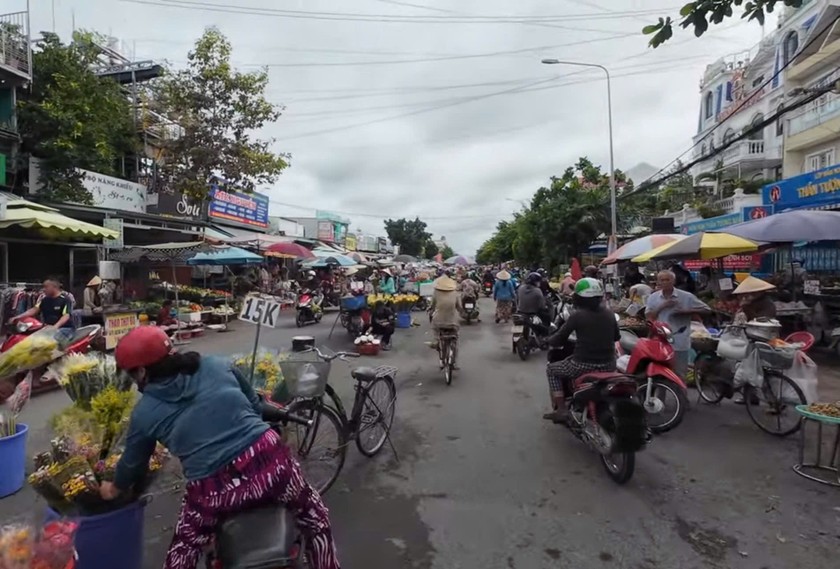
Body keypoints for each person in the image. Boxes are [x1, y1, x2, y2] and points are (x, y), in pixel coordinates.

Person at [102, 327, 340, 569]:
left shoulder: (144, 413)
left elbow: (132, 465)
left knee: (183, 551)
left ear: (142, 371)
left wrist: (112, 488)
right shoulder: (216, 365)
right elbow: (255, 407)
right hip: (273, 468)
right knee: (316, 519)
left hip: (213, 492)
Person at [544, 278, 620, 423]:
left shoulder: (577, 315)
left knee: (552, 370)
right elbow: (616, 336)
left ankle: (561, 410)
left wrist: (548, 340)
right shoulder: (609, 314)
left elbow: (559, 338)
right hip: (610, 364)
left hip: (583, 364)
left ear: (578, 297)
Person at [645, 270, 710, 380]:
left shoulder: (686, 296)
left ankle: (681, 396)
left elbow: (707, 310)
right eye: (662, 280)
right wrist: (662, 306)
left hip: (680, 340)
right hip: (660, 341)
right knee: (660, 374)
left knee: (680, 374)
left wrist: (686, 312)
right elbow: (649, 317)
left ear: (673, 281)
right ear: (658, 282)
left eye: (668, 280)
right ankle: (660, 397)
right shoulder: (653, 298)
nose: (665, 282)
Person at [429, 275, 464, 368]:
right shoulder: (455, 293)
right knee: (455, 339)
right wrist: (461, 312)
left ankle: (436, 341)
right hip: (453, 322)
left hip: (439, 321)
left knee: (435, 329)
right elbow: (459, 307)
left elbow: (432, 305)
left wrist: (430, 310)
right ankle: (454, 361)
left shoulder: (436, 292)